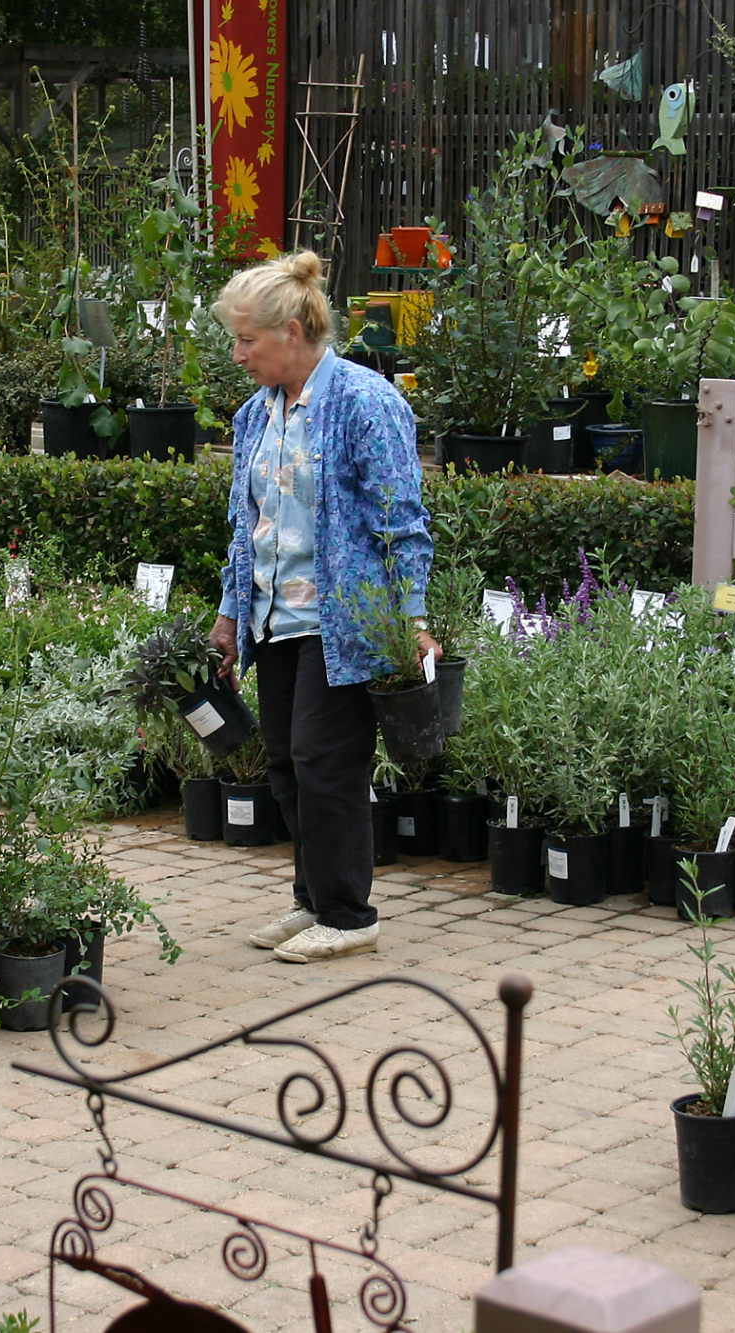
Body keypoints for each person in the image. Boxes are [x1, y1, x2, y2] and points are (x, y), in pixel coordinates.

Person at [209, 250, 438, 964]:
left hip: (345, 622)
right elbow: (245, 527)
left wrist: (412, 619)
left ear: (292, 332)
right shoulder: (256, 414)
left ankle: (348, 913)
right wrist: (229, 613)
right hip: (274, 615)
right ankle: (313, 899)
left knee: (324, 761)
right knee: (284, 759)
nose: (238, 355)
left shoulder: (365, 402)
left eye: (247, 340)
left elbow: (403, 521)